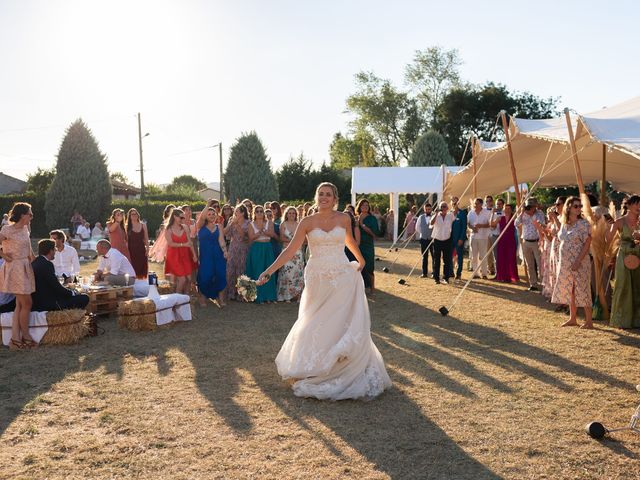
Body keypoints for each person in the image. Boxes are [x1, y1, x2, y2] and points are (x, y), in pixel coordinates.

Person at [257, 182, 392, 400]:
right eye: (321, 194)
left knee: (338, 319)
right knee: (315, 318)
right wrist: (269, 271)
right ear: (316, 197)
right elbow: (291, 250)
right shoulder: (307, 222)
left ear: (335, 198)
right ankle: (315, 366)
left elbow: (349, 241)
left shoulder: (344, 218)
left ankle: (338, 363)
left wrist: (361, 259)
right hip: (317, 277)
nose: (324, 197)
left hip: (341, 275)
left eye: (328, 194)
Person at [551, 197, 593, 328]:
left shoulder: (584, 224)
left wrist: (578, 261)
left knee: (583, 289)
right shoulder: (564, 223)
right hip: (565, 262)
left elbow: (587, 243)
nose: (579, 208)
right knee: (571, 289)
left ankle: (589, 321)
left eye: (580, 206)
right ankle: (572, 318)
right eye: (576, 206)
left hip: (579, 261)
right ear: (568, 207)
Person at [0, 203, 36, 350]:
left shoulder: (26, 229)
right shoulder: (7, 229)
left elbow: (29, 250)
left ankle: (15, 340)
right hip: (14, 269)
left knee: (20, 304)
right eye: (30, 213)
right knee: (27, 303)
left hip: (25, 267)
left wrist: (36, 261)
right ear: (22, 215)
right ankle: (26, 336)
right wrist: (3, 255)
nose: (32, 216)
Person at [608, 194, 640, 328]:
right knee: (623, 285)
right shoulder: (620, 221)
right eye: (637, 204)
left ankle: (637, 320)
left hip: (639, 255)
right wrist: (609, 226)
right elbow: (608, 239)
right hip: (623, 256)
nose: (639, 207)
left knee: (638, 286)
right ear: (629, 205)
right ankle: (621, 320)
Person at [31, 239, 89, 311]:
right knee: (84, 298)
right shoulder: (47, 264)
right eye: (55, 249)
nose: (56, 251)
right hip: (49, 303)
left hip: (38, 300)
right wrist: (72, 293)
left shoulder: (35, 262)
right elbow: (56, 286)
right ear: (50, 250)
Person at [196, 202, 228, 307]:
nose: (211, 216)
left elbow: (221, 240)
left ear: (216, 215)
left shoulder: (219, 226)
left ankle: (221, 299)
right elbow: (201, 217)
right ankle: (202, 297)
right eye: (209, 214)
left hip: (218, 254)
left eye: (213, 214)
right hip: (206, 255)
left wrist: (225, 251)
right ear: (205, 216)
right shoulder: (200, 225)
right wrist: (208, 204)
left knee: (221, 275)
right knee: (205, 276)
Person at [246, 205, 278, 303]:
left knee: (268, 271)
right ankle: (258, 296)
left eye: (261, 211)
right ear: (254, 213)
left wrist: (265, 231)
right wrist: (258, 233)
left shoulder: (269, 223)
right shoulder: (251, 224)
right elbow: (250, 238)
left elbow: (272, 234)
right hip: (257, 248)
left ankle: (269, 296)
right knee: (258, 271)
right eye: (257, 211)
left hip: (267, 247)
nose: (259, 213)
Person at [164, 208, 198, 295]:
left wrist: (194, 255)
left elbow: (189, 243)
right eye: (181, 217)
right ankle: (177, 299)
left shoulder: (185, 227)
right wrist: (184, 244)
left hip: (185, 255)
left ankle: (186, 298)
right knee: (182, 279)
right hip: (174, 256)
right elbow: (170, 244)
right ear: (175, 217)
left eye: (184, 218)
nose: (183, 219)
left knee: (189, 279)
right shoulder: (168, 229)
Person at [515, 197, 546, 291]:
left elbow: (542, 224)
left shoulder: (539, 213)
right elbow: (516, 223)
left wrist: (535, 219)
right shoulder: (523, 214)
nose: (529, 208)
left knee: (540, 264)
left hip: (537, 241)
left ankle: (544, 284)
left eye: (531, 206)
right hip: (526, 242)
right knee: (529, 264)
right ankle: (533, 284)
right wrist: (521, 212)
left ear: (535, 206)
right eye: (528, 206)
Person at [277, 206, 305, 302]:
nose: (291, 215)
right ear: (286, 214)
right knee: (286, 273)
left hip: (297, 252)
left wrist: (296, 242)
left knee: (298, 273)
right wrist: (291, 241)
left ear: (296, 214)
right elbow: (281, 238)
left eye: (293, 213)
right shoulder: (283, 224)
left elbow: (303, 239)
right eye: (290, 213)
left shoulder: (299, 224)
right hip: (286, 250)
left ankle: (297, 295)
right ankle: (286, 295)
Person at [224, 204, 250, 301]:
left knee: (241, 271)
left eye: (237, 211)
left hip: (243, 248)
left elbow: (244, 236)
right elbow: (225, 232)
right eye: (235, 211)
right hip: (233, 247)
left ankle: (241, 295)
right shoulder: (231, 220)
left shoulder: (248, 223)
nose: (235, 213)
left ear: (243, 213)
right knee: (230, 271)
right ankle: (231, 293)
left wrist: (237, 225)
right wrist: (231, 224)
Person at [357, 198, 380, 294]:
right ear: (359, 207)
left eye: (366, 205)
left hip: (368, 244)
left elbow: (375, 234)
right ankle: (360, 288)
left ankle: (372, 287)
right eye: (363, 205)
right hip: (357, 244)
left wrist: (362, 226)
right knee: (358, 266)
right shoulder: (356, 217)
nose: (365, 207)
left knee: (369, 265)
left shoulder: (372, 218)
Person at [491, 204, 519, 283]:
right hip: (502, 240)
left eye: (508, 208)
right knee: (502, 258)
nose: (507, 210)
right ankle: (503, 276)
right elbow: (492, 224)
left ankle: (511, 276)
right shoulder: (500, 218)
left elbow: (519, 214)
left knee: (511, 258)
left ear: (511, 210)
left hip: (511, 240)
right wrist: (492, 214)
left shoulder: (514, 218)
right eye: (505, 208)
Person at [429, 201, 454, 284]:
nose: (443, 208)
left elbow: (456, 212)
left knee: (447, 260)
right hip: (437, 240)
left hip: (447, 240)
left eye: (444, 206)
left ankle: (446, 277)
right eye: (441, 207)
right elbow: (431, 223)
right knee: (437, 260)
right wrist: (436, 214)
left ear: (447, 208)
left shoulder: (450, 216)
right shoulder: (436, 216)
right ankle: (436, 278)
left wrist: (455, 203)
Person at [467, 198, 492, 279]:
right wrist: (472, 228)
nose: (475, 205)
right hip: (473, 237)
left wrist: (481, 225)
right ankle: (475, 273)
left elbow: (490, 224)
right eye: (474, 203)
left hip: (483, 237)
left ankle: (484, 273)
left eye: (477, 203)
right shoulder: (471, 212)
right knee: (474, 256)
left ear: (481, 204)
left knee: (483, 256)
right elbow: (468, 224)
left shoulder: (487, 213)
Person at [125, 208, 149, 279]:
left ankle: (141, 286)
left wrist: (147, 249)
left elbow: (146, 238)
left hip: (141, 250)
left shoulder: (143, 225)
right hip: (131, 251)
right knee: (132, 270)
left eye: (136, 214)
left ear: (138, 215)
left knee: (142, 270)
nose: (134, 215)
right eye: (132, 214)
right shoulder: (127, 226)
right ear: (129, 216)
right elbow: (126, 240)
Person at [450, 197, 467, 281]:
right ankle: (451, 272)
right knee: (449, 256)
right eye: (453, 203)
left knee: (459, 256)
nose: (454, 204)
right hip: (449, 239)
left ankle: (459, 273)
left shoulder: (462, 213)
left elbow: (464, 227)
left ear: (458, 203)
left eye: (455, 203)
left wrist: (461, 238)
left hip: (459, 238)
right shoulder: (449, 213)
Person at [415, 203, 434, 278]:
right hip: (423, 239)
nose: (428, 210)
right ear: (424, 209)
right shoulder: (421, 217)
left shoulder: (434, 217)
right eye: (426, 209)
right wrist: (423, 233)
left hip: (432, 239)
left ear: (431, 209)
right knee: (424, 256)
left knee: (434, 257)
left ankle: (434, 272)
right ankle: (424, 273)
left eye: (429, 209)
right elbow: (417, 227)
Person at [487, 197, 503, 276]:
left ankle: (501, 272)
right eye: (497, 204)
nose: (498, 205)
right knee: (496, 256)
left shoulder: (504, 213)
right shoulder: (493, 213)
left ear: (503, 205)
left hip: (502, 237)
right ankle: (498, 273)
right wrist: (493, 214)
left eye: (500, 204)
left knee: (502, 256)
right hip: (494, 236)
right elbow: (491, 225)